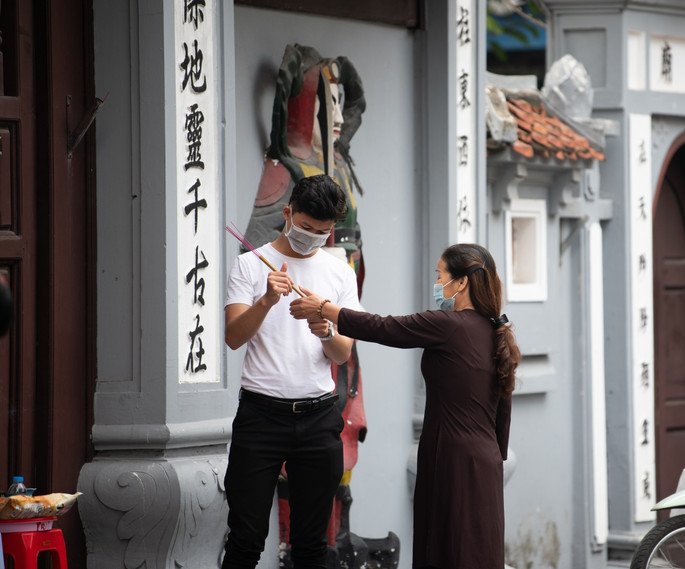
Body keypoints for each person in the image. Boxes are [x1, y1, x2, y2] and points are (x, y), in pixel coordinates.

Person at [291, 243, 520, 569]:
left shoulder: (450, 325)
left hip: (450, 456)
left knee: (446, 547)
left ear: (462, 282)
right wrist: (492, 459)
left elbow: (384, 326)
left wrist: (324, 308)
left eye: (440, 276)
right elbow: (503, 416)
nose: (437, 284)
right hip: (485, 461)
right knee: (477, 549)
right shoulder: (494, 330)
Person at [222, 173, 362, 569]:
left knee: (312, 544)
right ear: (287, 213)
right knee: (245, 539)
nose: (313, 237)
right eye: (305, 227)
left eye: (323, 231)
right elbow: (233, 337)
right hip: (260, 416)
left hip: (318, 417)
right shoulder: (250, 264)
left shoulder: (340, 273)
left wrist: (325, 328)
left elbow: (340, 354)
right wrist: (266, 300)